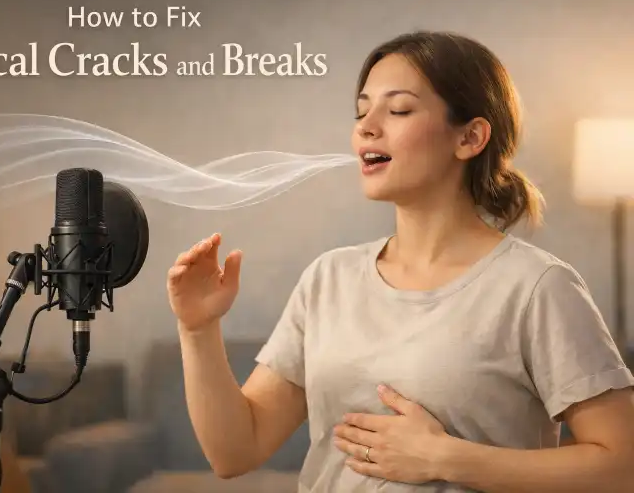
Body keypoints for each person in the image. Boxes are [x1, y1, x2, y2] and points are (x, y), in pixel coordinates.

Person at [165, 31, 634, 492]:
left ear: (470, 137)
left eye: (399, 109)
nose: (367, 126)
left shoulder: (537, 287)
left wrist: (448, 459)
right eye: (362, 111)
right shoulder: (328, 279)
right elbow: (235, 453)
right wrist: (198, 329)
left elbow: (622, 467)